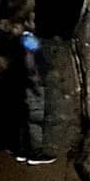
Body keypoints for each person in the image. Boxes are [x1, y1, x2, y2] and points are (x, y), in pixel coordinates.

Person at [17, 29, 57, 165]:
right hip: (33, 80)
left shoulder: (18, 40)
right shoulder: (28, 40)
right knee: (35, 117)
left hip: (24, 80)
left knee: (24, 116)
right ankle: (35, 153)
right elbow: (34, 54)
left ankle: (23, 151)